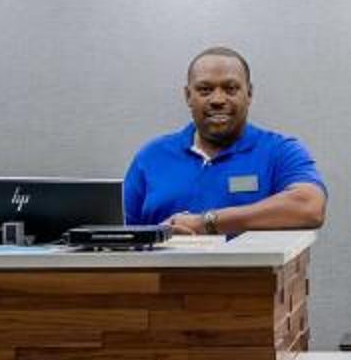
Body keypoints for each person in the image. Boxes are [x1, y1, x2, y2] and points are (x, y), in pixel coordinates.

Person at [121, 46, 328, 237]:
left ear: (249, 94)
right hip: (164, 268)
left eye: (230, 88)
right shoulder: (151, 157)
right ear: (188, 96)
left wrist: (205, 222)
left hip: (249, 268)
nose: (218, 100)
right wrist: (163, 236)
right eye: (205, 89)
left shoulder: (280, 152)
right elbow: (121, 236)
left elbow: (309, 207)